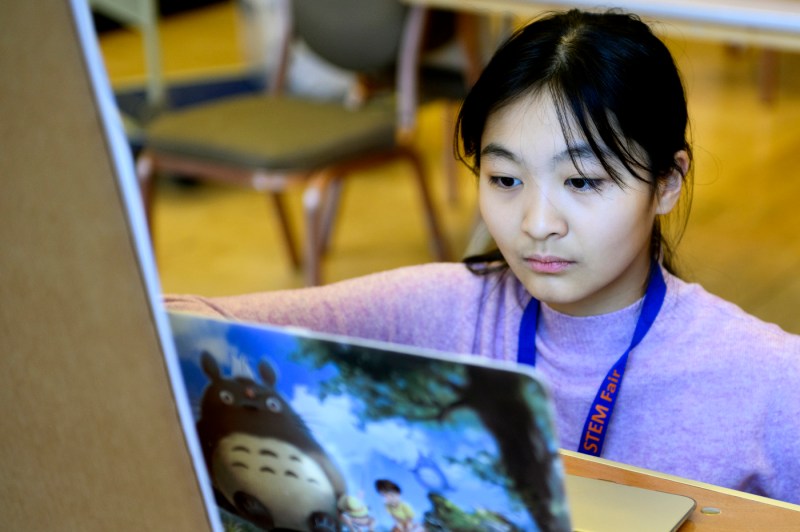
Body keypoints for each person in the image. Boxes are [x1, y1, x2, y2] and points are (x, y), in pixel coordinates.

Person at [167, 9, 800, 504]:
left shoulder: (767, 378)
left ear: (667, 183)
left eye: (581, 182)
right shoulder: (446, 309)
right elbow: (178, 324)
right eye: (505, 180)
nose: (536, 224)